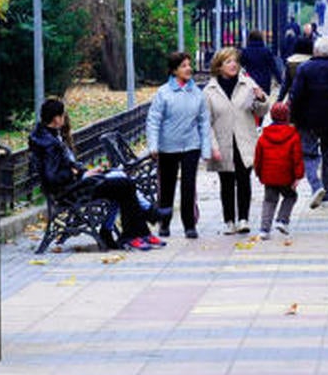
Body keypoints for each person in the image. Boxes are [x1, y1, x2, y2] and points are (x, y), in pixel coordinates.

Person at [30, 98, 167, 251]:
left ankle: (132, 232)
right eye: (62, 115)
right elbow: (53, 178)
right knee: (124, 184)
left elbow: (67, 164)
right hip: (71, 191)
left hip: (77, 184)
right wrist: (77, 174)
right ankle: (139, 227)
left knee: (121, 180)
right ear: (56, 119)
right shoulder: (48, 143)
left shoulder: (51, 136)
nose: (64, 118)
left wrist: (84, 172)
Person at [203, 47, 269, 234]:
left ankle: (243, 219)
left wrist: (261, 98)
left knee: (244, 180)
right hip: (223, 143)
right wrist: (212, 146)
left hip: (244, 141)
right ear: (219, 66)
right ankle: (229, 220)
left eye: (235, 61)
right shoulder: (210, 90)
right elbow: (205, 122)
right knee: (226, 183)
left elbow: (261, 111)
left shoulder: (247, 84)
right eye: (228, 62)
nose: (233, 65)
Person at [146, 52, 211, 239]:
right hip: (168, 147)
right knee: (167, 186)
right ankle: (164, 223)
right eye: (183, 66)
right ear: (174, 70)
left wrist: (205, 149)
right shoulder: (163, 93)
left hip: (191, 146)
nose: (188, 69)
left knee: (189, 187)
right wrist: (153, 145)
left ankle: (189, 225)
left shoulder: (197, 94)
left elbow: (203, 122)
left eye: (189, 65)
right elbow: (153, 120)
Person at [289, 35, 328, 208]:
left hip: (308, 120)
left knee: (308, 154)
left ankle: (316, 185)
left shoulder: (305, 69)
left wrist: (294, 119)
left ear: (315, 50)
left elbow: (296, 96)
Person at [253, 101, 304, 239]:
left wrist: (259, 173)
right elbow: (297, 158)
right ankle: (282, 220)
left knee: (269, 201)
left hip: (268, 176)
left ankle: (264, 229)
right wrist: (298, 176)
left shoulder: (264, 136)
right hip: (286, 176)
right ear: (287, 117)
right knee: (291, 196)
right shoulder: (293, 135)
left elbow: (258, 157)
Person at [241, 29, 283, 97]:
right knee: (264, 101)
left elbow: (241, 67)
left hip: (250, 80)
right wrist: (280, 81)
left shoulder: (245, 51)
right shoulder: (266, 51)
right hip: (265, 80)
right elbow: (273, 67)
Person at [277, 36, 312, 102]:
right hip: (310, 98)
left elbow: (286, 85)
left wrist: (279, 100)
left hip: (294, 97)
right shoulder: (313, 63)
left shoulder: (290, 62)